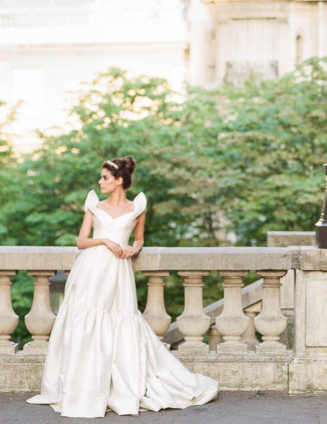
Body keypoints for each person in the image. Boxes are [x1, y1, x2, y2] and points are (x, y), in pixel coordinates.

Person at [27, 156, 218, 418]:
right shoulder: (94, 204)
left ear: (119, 181)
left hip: (119, 270)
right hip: (92, 269)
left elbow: (139, 239)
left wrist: (133, 248)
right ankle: (82, 386)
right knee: (86, 321)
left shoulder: (137, 207)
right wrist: (104, 240)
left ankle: (120, 382)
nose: (100, 181)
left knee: (121, 321)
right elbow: (81, 241)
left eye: (105, 178)